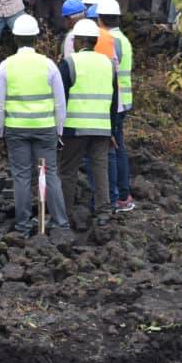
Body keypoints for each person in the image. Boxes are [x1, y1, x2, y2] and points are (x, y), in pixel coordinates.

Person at [0, 14, 68, 238]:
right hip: (45, 129)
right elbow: (60, 102)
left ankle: (23, 226)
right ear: (36, 38)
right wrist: (59, 130)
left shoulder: (6, 66)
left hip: (17, 130)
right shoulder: (48, 65)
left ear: (15, 38)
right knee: (49, 174)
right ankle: (60, 223)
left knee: (22, 177)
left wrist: (0, 130)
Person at [59, 18, 118, 229]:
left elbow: (60, 98)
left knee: (68, 171)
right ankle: (103, 212)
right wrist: (113, 129)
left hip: (74, 128)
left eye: (75, 39)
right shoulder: (108, 64)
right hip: (102, 128)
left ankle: (64, 214)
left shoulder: (70, 63)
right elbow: (114, 100)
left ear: (81, 41)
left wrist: (58, 128)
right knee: (100, 169)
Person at [95, 0, 135, 212]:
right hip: (123, 100)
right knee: (118, 147)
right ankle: (123, 193)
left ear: (99, 18)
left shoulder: (109, 40)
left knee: (114, 149)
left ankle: (121, 195)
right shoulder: (123, 39)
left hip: (115, 102)